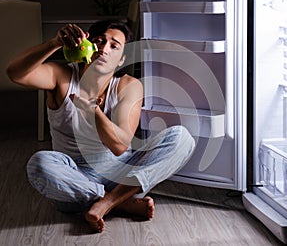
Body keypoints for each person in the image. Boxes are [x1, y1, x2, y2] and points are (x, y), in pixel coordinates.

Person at [6, 19, 195, 233]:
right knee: (38, 164)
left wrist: (92, 112)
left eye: (114, 46)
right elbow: (15, 73)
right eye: (99, 41)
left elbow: (120, 145)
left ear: (122, 58)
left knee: (181, 137)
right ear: (86, 45)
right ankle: (120, 203)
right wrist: (54, 43)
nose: (104, 49)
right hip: (74, 178)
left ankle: (106, 203)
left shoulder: (128, 85)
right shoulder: (63, 77)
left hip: (122, 174)